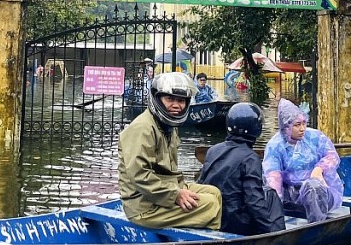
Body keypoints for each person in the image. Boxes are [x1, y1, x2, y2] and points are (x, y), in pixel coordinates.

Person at [118, 72, 222, 229]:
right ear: (157, 99)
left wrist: (178, 190)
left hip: (164, 191)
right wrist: (176, 195)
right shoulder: (142, 128)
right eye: (170, 99)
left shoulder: (169, 127)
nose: (176, 105)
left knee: (215, 192)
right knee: (210, 204)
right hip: (144, 206)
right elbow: (139, 176)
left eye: (181, 101)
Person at [199, 103, 285, 235]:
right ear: (256, 128)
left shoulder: (213, 150)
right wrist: (268, 230)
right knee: (270, 194)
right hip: (237, 223)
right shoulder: (250, 158)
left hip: (213, 216)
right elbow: (254, 200)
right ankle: (279, 235)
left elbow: (201, 184)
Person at [262, 98, 344, 222]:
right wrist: (274, 208)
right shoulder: (275, 145)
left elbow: (332, 156)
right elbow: (273, 176)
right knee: (267, 188)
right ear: (286, 127)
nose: (302, 129)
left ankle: (317, 225)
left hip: (321, 192)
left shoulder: (315, 137)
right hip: (292, 197)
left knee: (313, 187)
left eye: (304, 123)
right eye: (297, 125)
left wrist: (319, 169)